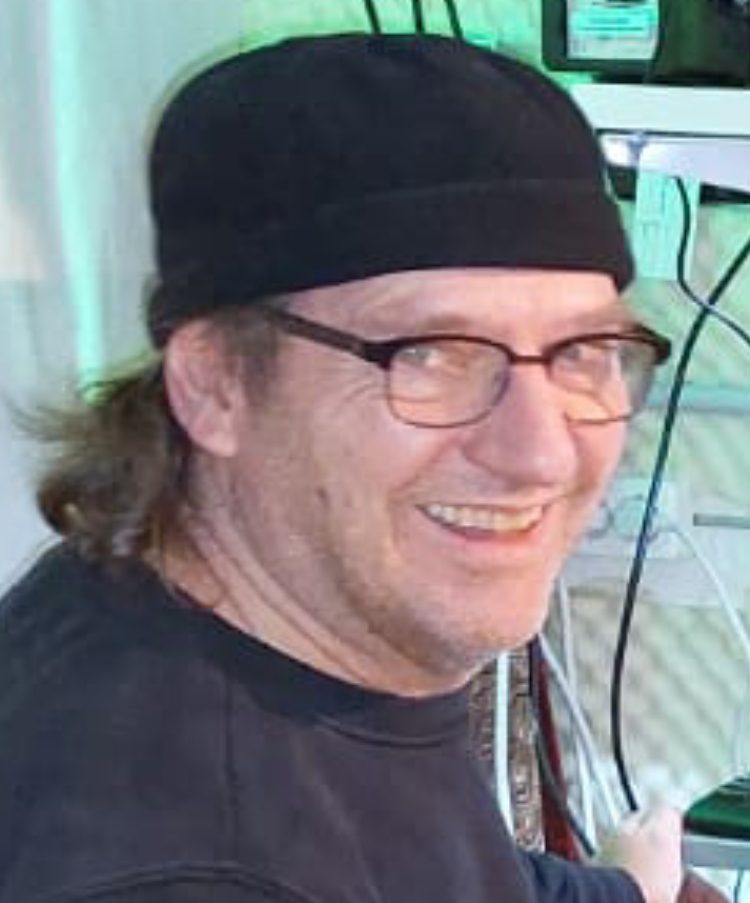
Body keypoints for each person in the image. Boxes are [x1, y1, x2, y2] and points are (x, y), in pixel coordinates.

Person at [0, 31, 708, 903]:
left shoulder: (270, 636)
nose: (541, 452)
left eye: (583, 351)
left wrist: (634, 892)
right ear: (216, 384)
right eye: (433, 355)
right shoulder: (179, 861)